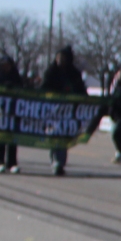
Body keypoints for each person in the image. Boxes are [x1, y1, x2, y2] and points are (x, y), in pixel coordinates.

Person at [39, 45, 86, 176]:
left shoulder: (74, 74)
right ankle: (55, 161)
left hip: (68, 111)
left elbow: (81, 90)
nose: (60, 60)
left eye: (63, 58)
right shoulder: (51, 72)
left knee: (63, 137)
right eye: (58, 57)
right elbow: (43, 88)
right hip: (53, 110)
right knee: (54, 135)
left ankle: (60, 162)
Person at [0, 54, 27, 173]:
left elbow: (22, 89)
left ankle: (12, 162)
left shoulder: (16, 77)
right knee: (0, 137)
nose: (6, 67)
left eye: (7, 65)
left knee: (12, 139)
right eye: (3, 65)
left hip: (13, 111)